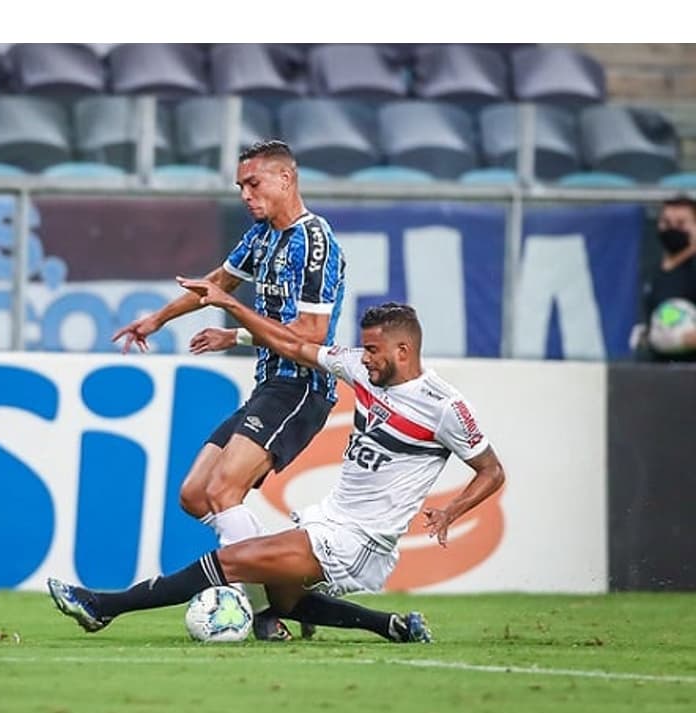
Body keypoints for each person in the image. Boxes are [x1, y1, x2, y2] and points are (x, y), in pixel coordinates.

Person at [49, 298, 505, 644]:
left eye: (373, 350)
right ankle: (394, 627)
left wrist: (452, 511)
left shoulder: (444, 407)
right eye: (363, 349)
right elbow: (293, 344)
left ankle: (104, 605)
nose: (364, 357)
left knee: (232, 561)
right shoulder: (363, 371)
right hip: (326, 518)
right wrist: (235, 329)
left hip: (359, 541)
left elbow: (491, 471)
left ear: (403, 350)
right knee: (280, 601)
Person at [110, 139, 346, 641]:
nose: (244, 193)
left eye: (253, 183)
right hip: (270, 383)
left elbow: (309, 338)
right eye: (240, 185)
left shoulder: (317, 243)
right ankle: (288, 591)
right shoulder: (262, 236)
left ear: (287, 179)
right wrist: (156, 319)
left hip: (302, 386)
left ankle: (268, 612)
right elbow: (218, 283)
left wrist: (234, 317)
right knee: (196, 495)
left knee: (223, 490)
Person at [631, 195, 696, 362]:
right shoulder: (654, 271)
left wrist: (682, 338)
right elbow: (661, 318)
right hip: (660, 375)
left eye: (681, 223)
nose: (672, 228)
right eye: (666, 223)